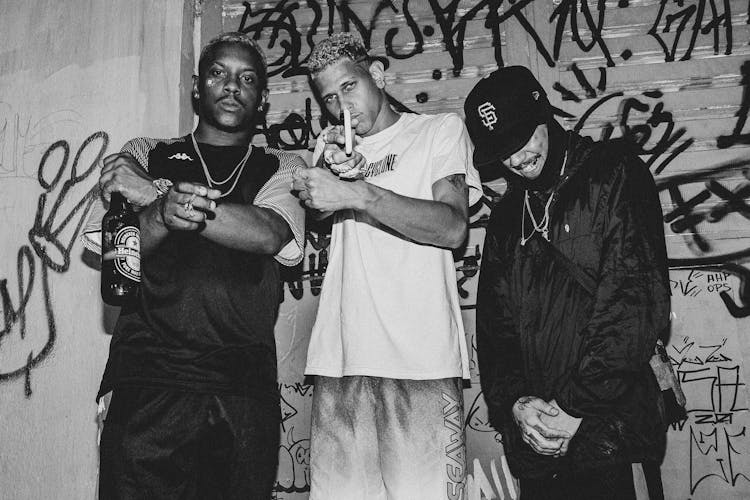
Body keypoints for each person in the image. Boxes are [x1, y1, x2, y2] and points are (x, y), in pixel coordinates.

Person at [82, 32, 305, 499]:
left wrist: (160, 196)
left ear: (262, 99)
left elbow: (268, 232)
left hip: (241, 389)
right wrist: (160, 211)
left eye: (246, 78)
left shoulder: (283, 163)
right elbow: (116, 247)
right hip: (147, 379)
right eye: (218, 73)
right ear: (196, 86)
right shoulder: (143, 153)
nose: (231, 86)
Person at [291, 32, 482, 500]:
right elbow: (313, 221)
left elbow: (453, 227)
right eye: (330, 99)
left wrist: (359, 193)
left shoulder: (437, 131)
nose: (342, 107)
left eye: (349, 87)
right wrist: (324, 178)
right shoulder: (337, 154)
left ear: (376, 74)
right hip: (342, 362)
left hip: (419, 362)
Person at [464, 66, 670, 499]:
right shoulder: (506, 216)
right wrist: (516, 405)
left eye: (521, 138)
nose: (516, 158)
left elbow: (632, 306)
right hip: (539, 448)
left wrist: (574, 409)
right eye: (502, 150)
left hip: (611, 438)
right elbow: (494, 329)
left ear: (545, 115)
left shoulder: (614, 173)